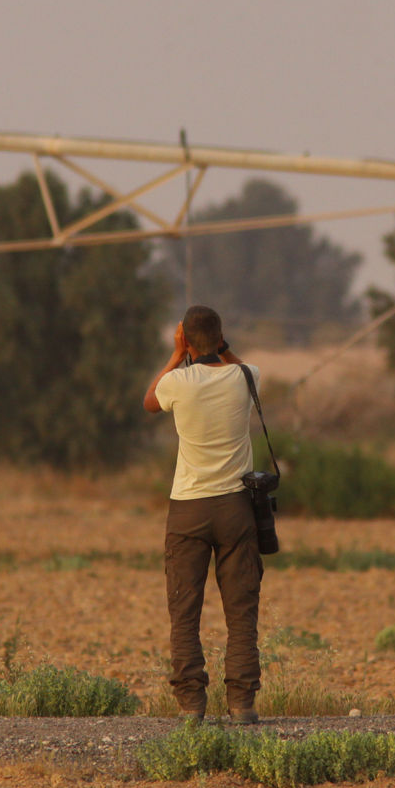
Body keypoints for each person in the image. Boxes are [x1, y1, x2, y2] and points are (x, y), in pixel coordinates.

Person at [143, 305, 263, 724]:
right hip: (235, 507)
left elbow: (149, 402)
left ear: (186, 340)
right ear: (222, 337)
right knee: (241, 611)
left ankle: (192, 706)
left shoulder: (178, 381)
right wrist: (218, 348)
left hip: (188, 508)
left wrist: (177, 355)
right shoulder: (244, 376)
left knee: (184, 610)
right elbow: (238, 365)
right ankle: (242, 704)